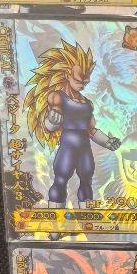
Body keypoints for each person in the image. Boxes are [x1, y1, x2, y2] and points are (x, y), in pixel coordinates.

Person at [25, 41, 122, 206]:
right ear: (67, 75)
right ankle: (55, 219)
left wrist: (107, 141)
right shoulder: (57, 97)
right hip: (67, 147)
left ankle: (87, 217)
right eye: (79, 81)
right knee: (60, 180)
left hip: (84, 147)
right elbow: (49, 126)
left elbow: (92, 130)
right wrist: (51, 121)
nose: (82, 85)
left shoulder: (87, 103)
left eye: (85, 82)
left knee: (87, 181)